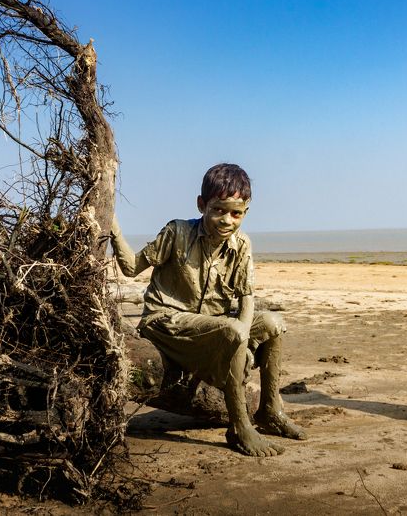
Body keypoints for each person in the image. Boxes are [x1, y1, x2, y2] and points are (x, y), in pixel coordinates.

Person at [110, 163, 307, 456]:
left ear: (245, 212)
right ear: (202, 204)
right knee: (232, 331)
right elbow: (130, 267)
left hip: (213, 325)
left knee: (273, 323)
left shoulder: (241, 245)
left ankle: (268, 410)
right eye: (218, 210)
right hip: (167, 322)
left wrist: (241, 337)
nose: (227, 220)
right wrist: (111, 224)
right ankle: (240, 427)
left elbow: (246, 298)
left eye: (236, 213)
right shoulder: (177, 232)